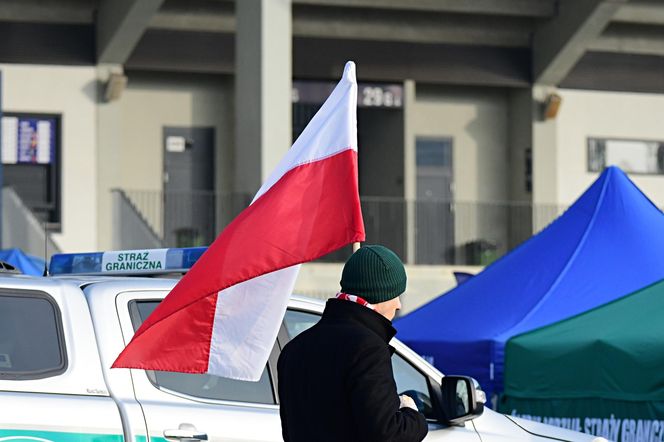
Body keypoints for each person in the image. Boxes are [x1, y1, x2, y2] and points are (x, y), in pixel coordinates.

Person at [278, 244, 428, 442]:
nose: (399, 304)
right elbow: (387, 434)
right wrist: (413, 416)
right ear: (381, 294)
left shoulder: (293, 349)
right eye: (396, 294)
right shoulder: (369, 348)